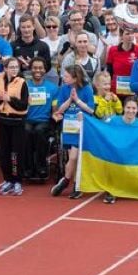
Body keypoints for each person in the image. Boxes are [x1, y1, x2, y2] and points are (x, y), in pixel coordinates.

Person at [52, 63, 95, 199]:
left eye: (67, 76)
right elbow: (59, 109)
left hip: (81, 128)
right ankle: (76, 184)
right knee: (73, 158)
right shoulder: (64, 89)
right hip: (69, 127)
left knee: (74, 157)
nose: (64, 77)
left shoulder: (87, 89)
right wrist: (70, 99)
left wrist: (77, 100)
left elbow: (91, 109)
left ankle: (66, 180)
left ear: (75, 78)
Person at [0, 56, 29, 196]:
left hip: (17, 122)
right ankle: (7, 180)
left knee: (16, 152)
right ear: (5, 68)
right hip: (3, 121)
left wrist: (10, 99)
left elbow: (24, 105)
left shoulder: (22, 83)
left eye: (16, 67)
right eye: (11, 67)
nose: (14, 70)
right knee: (5, 152)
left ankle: (17, 180)